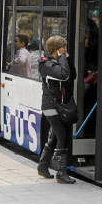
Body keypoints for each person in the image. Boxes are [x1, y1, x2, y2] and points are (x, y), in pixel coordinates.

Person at [37, 35, 76, 184]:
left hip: (58, 105)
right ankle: (61, 173)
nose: (65, 49)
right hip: (51, 106)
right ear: (56, 49)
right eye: (63, 47)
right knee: (62, 136)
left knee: (55, 136)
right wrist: (63, 58)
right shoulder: (47, 64)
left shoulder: (56, 62)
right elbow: (63, 75)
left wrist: (68, 58)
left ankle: (43, 165)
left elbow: (72, 75)